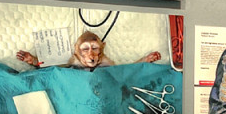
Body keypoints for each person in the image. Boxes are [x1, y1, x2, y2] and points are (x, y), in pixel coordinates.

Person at [16, 31, 159, 71]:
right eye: (85, 49)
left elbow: (123, 73)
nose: (91, 54)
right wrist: (33, 60)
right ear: (76, 50)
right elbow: (53, 70)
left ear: (102, 47)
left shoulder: (104, 61)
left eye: (95, 48)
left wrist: (144, 61)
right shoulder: (73, 60)